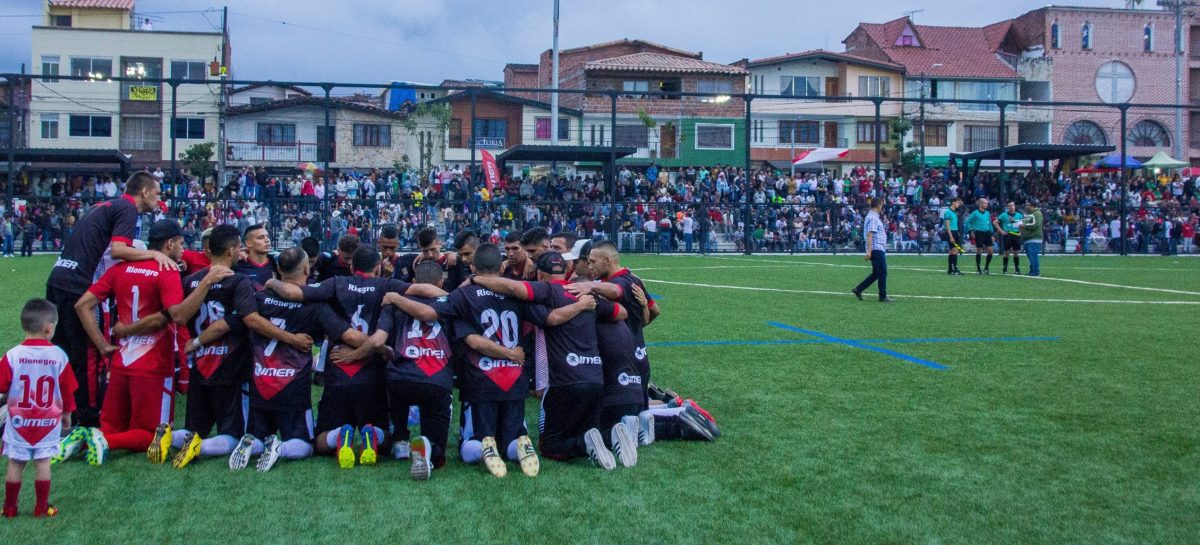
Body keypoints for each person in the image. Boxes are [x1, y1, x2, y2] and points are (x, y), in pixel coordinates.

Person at [263, 246, 439, 469]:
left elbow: (294, 292)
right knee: (385, 440)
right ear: (377, 268)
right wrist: (459, 293)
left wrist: (272, 282)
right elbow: (425, 289)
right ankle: (371, 434)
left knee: (319, 442)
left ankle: (339, 436)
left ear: (351, 266)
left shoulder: (335, 283)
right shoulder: (387, 285)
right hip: (373, 374)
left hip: (339, 372)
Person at [70, 220, 228, 464]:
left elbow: (82, 305)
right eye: (181, 243)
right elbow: (178, 315)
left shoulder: (120, 269)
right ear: (170, 243)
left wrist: (102, 344)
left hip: (122, 360)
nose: (182, 248)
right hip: (153, 363)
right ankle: (105, 441)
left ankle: (89, 436)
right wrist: (207, 281)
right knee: (155, 434)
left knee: (112, 426)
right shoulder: (167, 271)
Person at [473, 252, 634, 470]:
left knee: (550, 445)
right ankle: (610, 435)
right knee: (586, 430)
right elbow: (621, 312)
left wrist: (476, 279)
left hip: (564, 380)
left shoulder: (547, 290)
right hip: (596, 379)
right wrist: (590, 303)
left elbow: (515, 290)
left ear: (540, 273)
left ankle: (586, 443)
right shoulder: (583, 294)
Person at [46, 172, 178, 427]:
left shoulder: (104, 206)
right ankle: (89, 420)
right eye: (158, 194)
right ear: (145, 192)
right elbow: (118, 250)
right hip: (77, 283)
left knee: (63, 353)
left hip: (57, 278)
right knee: (88, 356)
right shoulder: (128, 209)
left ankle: (54, 412)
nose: (159, 199)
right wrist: (153, 254)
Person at [167, 225, 298, 469]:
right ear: (230, 250)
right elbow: (249, 320)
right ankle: (199, 447)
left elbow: (180, 316)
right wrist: (291, 338)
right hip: (232, 369)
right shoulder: (238, 282)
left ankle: (169, 436)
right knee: (235, 435)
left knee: (196, 428)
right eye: (239, 248)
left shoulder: (191, 281)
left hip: (200, 366)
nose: (242, 253)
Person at [227, 248, 368, 472]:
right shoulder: (315, 305)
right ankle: (278, 448)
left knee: (257, 432)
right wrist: (380, 345)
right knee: (305, 446)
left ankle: (253, 443)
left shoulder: (260, 298)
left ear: (279, 270)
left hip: (260, 382)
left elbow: (242, 322)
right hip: (291, 387)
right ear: (306, 268)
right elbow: (348, 336)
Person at [442, 243, 534, 478]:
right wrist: (512, 354)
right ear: (501, 266)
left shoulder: (464, 294)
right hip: (515, 378)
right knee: (512, 438)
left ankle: (484, 448)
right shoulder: (517, 290)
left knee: (469, 443)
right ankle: (522, 446)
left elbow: (473, 341)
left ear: (473, 266)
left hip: (480, 379)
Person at [374, 261, 455, 480]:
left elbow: (381, 338)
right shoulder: (451, 301)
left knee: (395, 385)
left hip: (400, 377)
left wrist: (385, 351)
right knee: (439, 455)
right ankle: (430, 450)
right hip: (436, 380)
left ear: (413, 282)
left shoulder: (393, 302)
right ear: (440, 282)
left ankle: (400, 439)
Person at [2, 299, 77, 518]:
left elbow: (1, 385)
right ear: (48, 328)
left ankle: (9, 507)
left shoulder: (13, 355)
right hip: (47, 421)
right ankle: (41, 507)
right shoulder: (59, 356)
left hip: (18, 421)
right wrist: (67, 415)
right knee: (43, 462)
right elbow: (67, 391)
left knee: (15, 463)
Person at [852, 198, 892, 303]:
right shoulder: (873, 218)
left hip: (876, 248)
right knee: (882, 272)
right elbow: (870, 234)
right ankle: (882, 296)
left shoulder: (872, 216)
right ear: (878, 205)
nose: (882, 207)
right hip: (876, 248)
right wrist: (869, 251)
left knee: (876, 273)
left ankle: (858, 289)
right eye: (882, 205)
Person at [233, 224, 275, 288]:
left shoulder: (276, 263)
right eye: (261, 237)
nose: (267, 240)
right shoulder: (237, 266)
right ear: (249, 243)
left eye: (267, 236)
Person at [993, 202, 1023, 274]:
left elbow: (1022, 225)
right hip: (1008, 234)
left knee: (1016, 252)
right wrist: (1001, 231)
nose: (1012, 207)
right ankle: (1005, 268)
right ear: (1008, 207)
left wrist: (1020, 232)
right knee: (1006, 252)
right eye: (1010, 206)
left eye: (1013, 205)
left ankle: (1017, 269)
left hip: (1016, 234)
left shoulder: (1019, 215)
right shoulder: (1004, 215)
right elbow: (995, 222)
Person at [966, 198, 994, 274]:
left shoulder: (988, 213)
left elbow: (990, 223)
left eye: (987, 203)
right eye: (985, 203)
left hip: (987, 233)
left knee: (990, 251)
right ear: (981, 204)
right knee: (979, 250)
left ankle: (986, 267)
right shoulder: (975, 213)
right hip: (979, 233)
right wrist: (971, 231)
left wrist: (992, 234)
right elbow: (968, 222)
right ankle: (978, 268)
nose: (987, 205)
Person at [1019, 201, 1044, 277]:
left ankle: (1036, 272)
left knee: (1033, 255)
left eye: (1028, 205)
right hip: (1028, 238)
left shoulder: (1037, 214)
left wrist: (1024, 226)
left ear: (1032, 206)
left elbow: (1036, 224)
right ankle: (1032, 271)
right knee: (1031, 256)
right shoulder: (1030, 215)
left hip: (1034, 238)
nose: (1026, 207)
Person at [943, 197, 963, 275]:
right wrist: (951, 236)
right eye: (958, 202)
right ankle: (955, 269)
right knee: (955, 251)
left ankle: (950, 269)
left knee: (952, 251)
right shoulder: (948, 212)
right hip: (951, 233)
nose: (959, 204)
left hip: (955, 232)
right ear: (953, 203)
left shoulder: (954, 212)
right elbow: (947, 225)